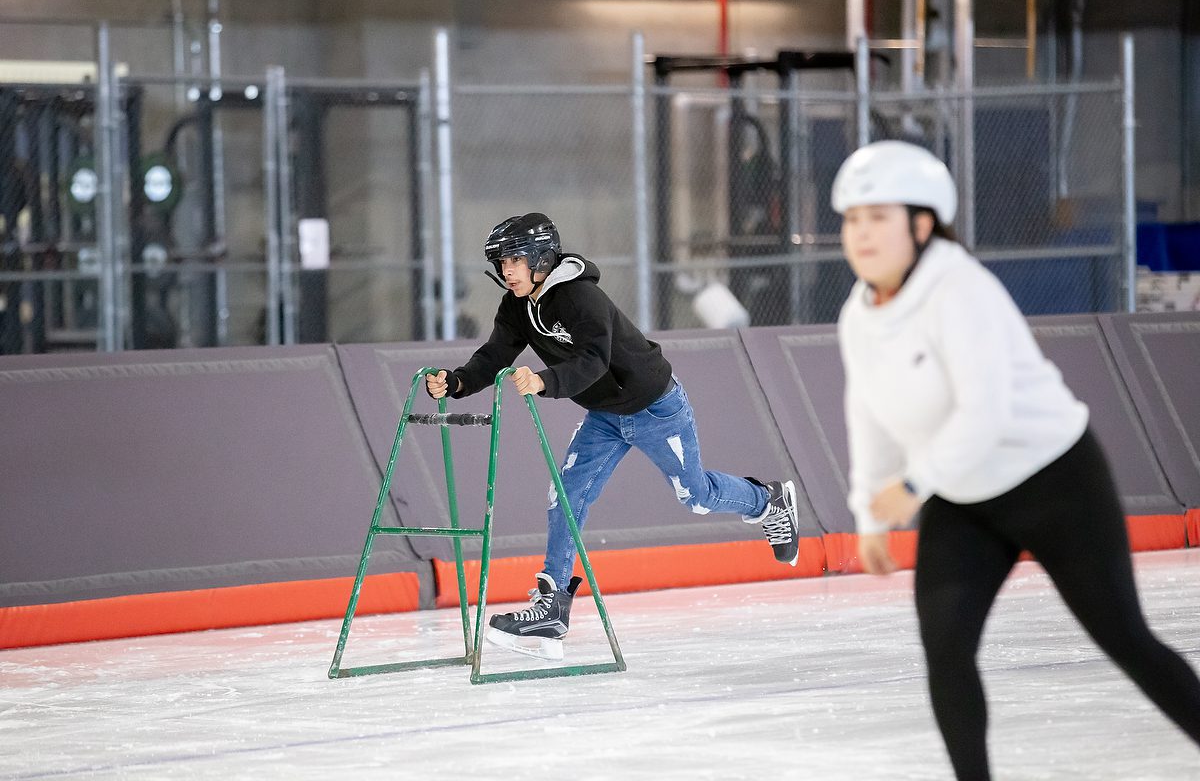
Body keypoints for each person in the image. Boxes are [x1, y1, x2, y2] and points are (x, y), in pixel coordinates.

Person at [832, 140, 1200, 779]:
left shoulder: (961, 289)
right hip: (964, 499)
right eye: (851, 219)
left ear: (922, 225)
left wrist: (915, 483)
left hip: (1056, 484)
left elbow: (987, 413)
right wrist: (869, 512)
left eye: (878, 217)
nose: (860, 233)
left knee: (1127, 643)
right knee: (946, 652)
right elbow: (867, 412)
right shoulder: (857, 316)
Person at [425, 212, 800, 660]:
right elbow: (493, 355)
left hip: (655, 406)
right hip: (604, 415)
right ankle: (552, 606)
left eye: (515, 260)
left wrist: (545, 381)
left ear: (541, 257)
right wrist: (458, 381)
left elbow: (594, 361)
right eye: (501, 261)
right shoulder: (516, 306)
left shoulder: (580, 298)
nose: (506, 270)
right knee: (566, 495)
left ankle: (768, 501)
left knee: (695, 496)